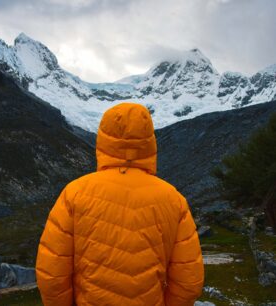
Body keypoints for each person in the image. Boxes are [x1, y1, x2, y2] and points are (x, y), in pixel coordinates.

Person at [36, 102, 204, 306]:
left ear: (103, 139)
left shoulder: (74, 193)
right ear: (150, 141)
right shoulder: (173, 198)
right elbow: (189, 280)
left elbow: (52, 274)